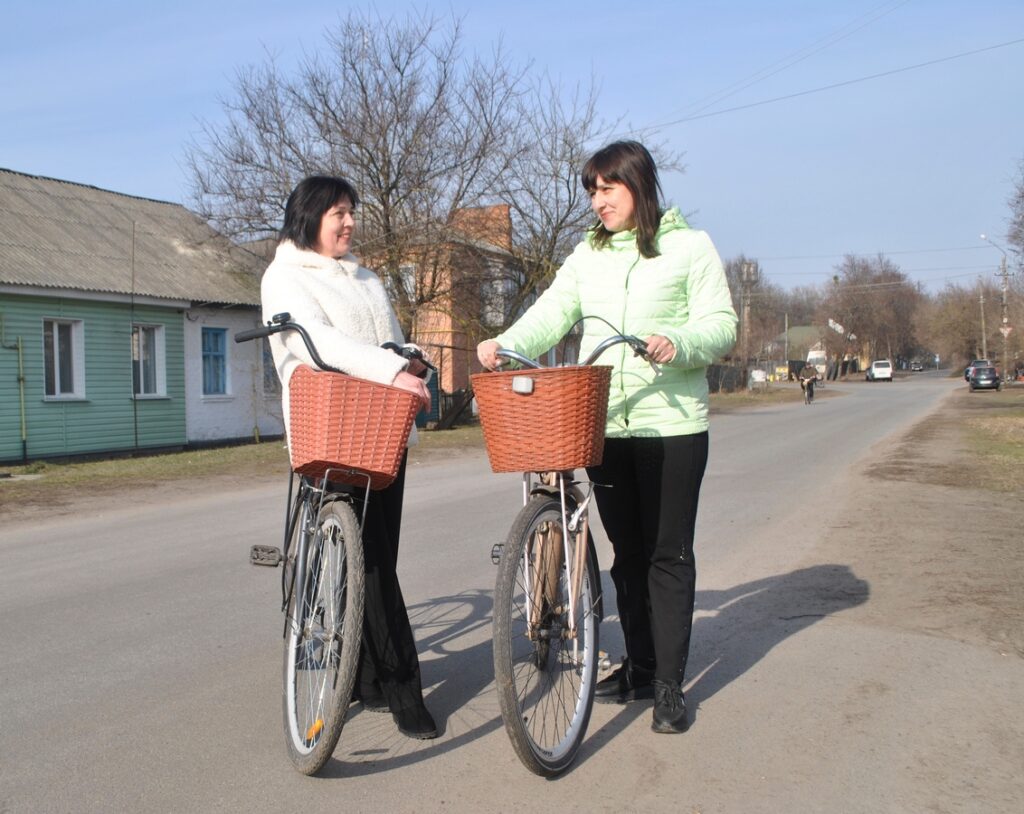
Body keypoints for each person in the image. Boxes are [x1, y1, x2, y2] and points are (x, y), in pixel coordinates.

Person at [477, 141, 737, 734]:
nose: (597, 201)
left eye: (607, 189)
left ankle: (670, 686)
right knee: (627, 555)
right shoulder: (586, 256)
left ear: (638, 186)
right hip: (607, 425)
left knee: (668, 554)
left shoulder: (689, 247)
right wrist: (504, 343)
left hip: (673, 426)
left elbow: (721, 323)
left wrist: (680, 342)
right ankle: (640, 668)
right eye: (592, 191)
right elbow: (552, 312)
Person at [261, 175, 437, 740]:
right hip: (333, 430)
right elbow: (315, 340)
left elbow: (389, 338)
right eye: (338, 212)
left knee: (379, 555)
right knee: (374, 563)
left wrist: (411, 361)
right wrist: (390, 371)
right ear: (309, 215)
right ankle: (405, 689)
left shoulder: (367, 279)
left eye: (352, 212)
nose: (349, 222)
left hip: (381, 429)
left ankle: (366, 680)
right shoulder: (284, 276)